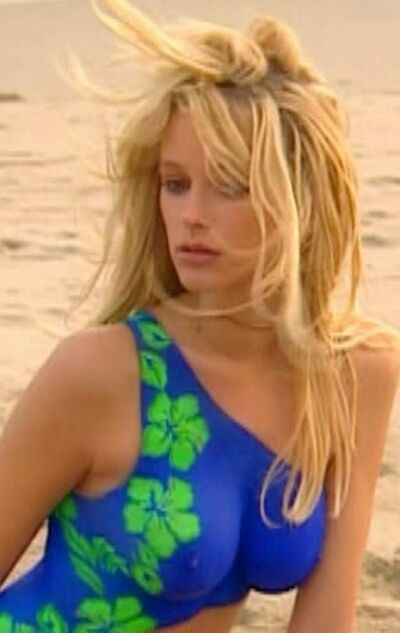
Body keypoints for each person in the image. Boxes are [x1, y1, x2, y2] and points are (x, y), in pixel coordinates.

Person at [0, 1, 399, 632]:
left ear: (299, 200)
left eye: (230, 185)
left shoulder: (357, 374)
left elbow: (326, 617)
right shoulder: (103, 372)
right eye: (175, 183)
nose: (191, 216)